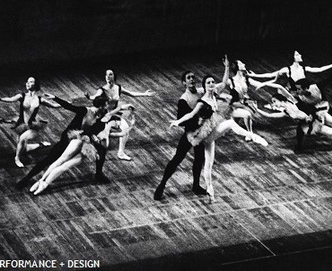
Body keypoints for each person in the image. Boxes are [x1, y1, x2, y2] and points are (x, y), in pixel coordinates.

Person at [170, 56, 269, 203]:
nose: (212, 84)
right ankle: (253, 136)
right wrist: (177, 121)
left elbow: (223, 82)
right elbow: (190, 114)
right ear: (205, 86)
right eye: (209, 83)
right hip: (205, 133)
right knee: (230, 123)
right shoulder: (203, 100)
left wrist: (227, 67)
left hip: (211, 135)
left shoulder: (215, 93)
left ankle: (210, 190)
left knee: (208, 165)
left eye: (212, 82)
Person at [16, 95, 121, 189]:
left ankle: (98, 173)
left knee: (102, 150)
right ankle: (27, 178)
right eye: (106, 105)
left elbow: (110, 118)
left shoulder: (101, 115)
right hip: (68, 139)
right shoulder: (85, 111)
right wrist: (55, 98)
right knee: (50, 159)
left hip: (84, 139)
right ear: (101, 106)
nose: (108, 107)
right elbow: (69, 107)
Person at [154, 70, 207, 201]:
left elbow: (220, 85)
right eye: (189, 78)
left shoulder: (200, 92)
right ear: (184, 82)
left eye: (193, 77)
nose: (192, 80)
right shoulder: (184, 99)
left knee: (199, 159)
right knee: (177, 158)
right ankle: (162, 185)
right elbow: (182, 120)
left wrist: (227, 67)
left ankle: (196, 185)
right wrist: (197, 120)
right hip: (190, 133)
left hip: (201, 133)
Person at [86, 69, 155, 161]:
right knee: (104, 141)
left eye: (110, 74)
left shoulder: (118, 88)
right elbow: (95, 97)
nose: (107, 76)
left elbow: (131, 93)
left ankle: (121, 153)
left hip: (115, 114)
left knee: (125, 129)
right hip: (105, 116)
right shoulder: (102, 89)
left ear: (114, 76)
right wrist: (89, 97)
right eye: (106, 75)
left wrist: (145, 94)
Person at [0, 77, 61, 167]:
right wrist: (1, 98)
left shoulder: (39, 99)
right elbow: (11, 99)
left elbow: (53, 105)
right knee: (24, 149)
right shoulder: (21, 96)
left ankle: (17, 158)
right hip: (21, 124)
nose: (27, 83)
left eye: (30, 82)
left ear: (35, 84)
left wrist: (66, 104)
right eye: (27, 81)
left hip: (33, 124)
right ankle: (41, 145)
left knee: (23, 138)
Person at [248, 51, 332, 93]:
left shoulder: (305, 68)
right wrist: (255, 75)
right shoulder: (287, 69)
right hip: (294, 94)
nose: (300, 55)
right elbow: (271, 74)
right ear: (293, 58)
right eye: (297, 54)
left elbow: (320, 69)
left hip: (304, 93)